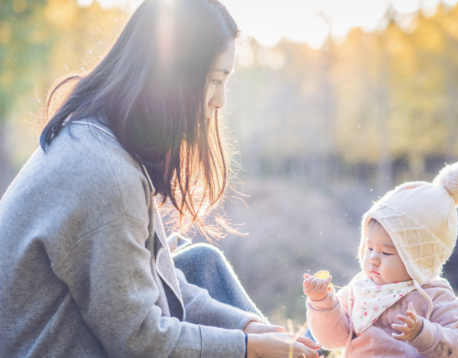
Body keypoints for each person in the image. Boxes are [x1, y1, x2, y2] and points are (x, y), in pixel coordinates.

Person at [0, 0, 321, 357]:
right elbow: (140, 343)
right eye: (214, 80)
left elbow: (154, 277)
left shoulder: (95, 140)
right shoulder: (103, 175)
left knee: (201, 263)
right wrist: (248, 348)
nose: (221, 101)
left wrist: (248, 328)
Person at [303, 161, 458, 357]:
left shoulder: (434, 296)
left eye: (386, 253)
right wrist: (323, 304)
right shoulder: (361, 287)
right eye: (369, 248)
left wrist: (423, 332)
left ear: (419, 259)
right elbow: (332, 340)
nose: (373, 259)